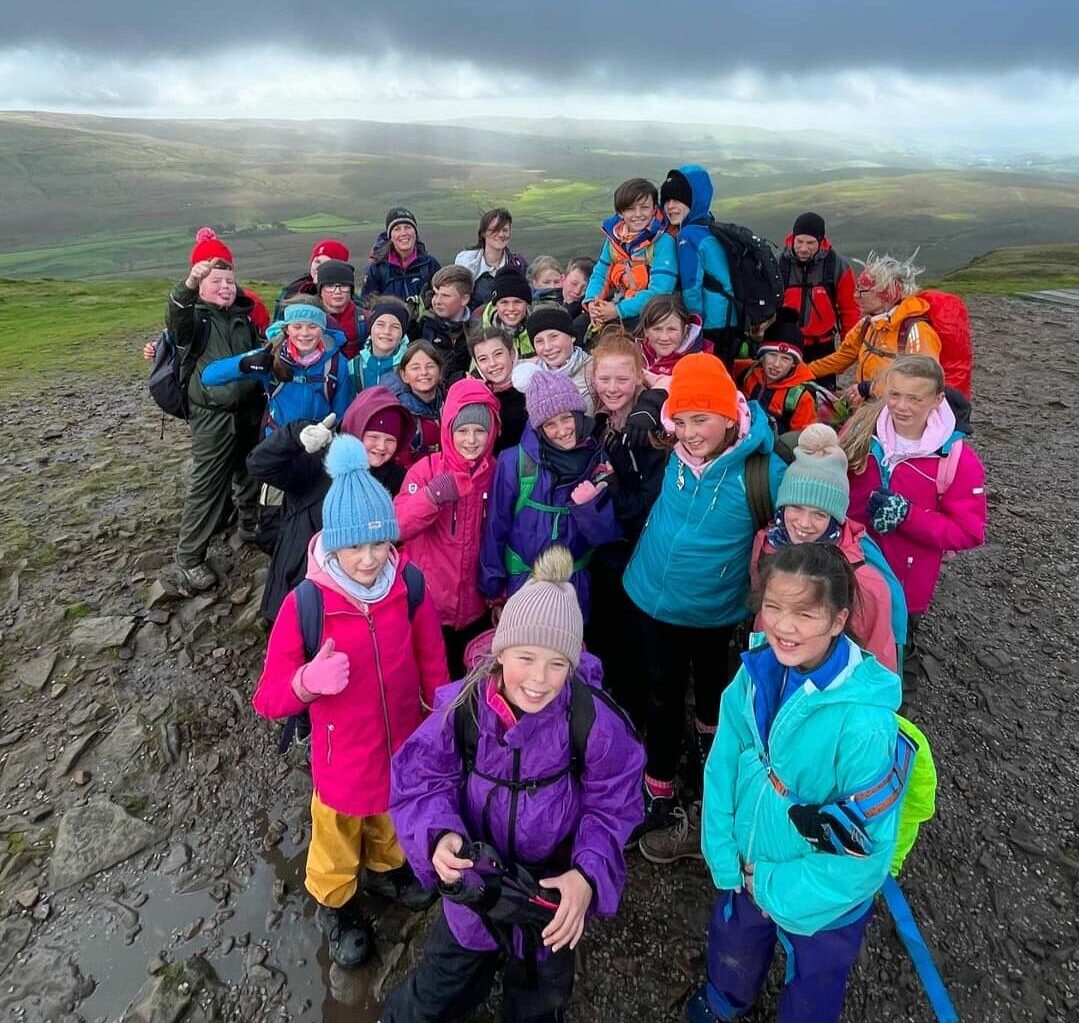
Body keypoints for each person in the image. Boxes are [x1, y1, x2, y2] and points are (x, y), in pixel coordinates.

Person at [383, 546, 645, 1023]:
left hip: (549, 898)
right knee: (437, 992)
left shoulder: (592, 721)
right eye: (526, 657)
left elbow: (614, 804)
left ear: (573, 662)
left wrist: (587, 877)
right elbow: (421, 780)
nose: (540, 679)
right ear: (500, 652)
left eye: (557, 663)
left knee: (539, 1001)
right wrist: (438, 835)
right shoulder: (462, 710)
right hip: (474, 886)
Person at [252, 434, 449, 969]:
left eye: (378, 543)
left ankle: (387, 870)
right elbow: (268, 698)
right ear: (331, 544)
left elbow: (431, 656)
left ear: (391, 538)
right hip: (341, 760)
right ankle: (336, 904)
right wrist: (307, 682)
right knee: (336, 837)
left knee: (391, 814)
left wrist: (440, 709)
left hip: (402, 744)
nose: (367, 559)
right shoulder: (307, 604)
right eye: (354, 546)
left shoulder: (408, 583)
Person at [688, 542, 902, 1023]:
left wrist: (766, 882)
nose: (783, 627)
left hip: (817, 899)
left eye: (804, 613)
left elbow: (865, 859)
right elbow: (724, 762)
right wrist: (724, 855)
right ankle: (725, 1000)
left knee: (815, 982)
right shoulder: (756, 671)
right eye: (773, 607)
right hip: (744, 864)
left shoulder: (865, 725)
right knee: (734, 946)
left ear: (838, 618)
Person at [623, 353, 786, 851]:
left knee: (713, 688)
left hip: (715, 607)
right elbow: (657, 387)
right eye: (682, 421)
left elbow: (807, 520)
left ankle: (711, 767)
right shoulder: (672, 451)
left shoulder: (764, 471)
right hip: (652, 596)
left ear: (730, 416)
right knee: (662, 692)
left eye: (703, 420)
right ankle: (661, 787)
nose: (691, 433)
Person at [842, 355, 987, 687]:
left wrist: (907, 515)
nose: (901, 407)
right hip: (850, 564)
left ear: (937, 400)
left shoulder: (956, 459)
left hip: (906, 584)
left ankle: (891, 715)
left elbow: (968, 531)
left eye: (915, 398)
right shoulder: (861, 429)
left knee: (892, 654)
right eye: (894, 395)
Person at [246, 385, 413, 623]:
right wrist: (296, 434)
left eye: (390, 440)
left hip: (354, 592)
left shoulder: (395, 478)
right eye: (373, 437)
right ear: (357, 431)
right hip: (297, 580)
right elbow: (259, 465)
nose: (381, 447)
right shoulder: (320, 460)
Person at [749, 424, 900, 672]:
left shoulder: (864, 583)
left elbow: (879, 662)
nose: (804, 524)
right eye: (796, 507)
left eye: (819, 513)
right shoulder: (766, 542)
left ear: (836, 518)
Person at [167, 229, 266, 592]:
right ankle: (189, 559)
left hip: (248, 410)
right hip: (212, 416)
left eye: (229, 280)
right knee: (207, 485)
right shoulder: (195, 318)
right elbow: (175, 316)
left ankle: (250, 526)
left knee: (249, 471)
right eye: (216, 281)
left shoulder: (243, 316)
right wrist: (188, 284)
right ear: (201, 285)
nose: (225, 287)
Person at [480, 371, 620, 622]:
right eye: (550, 424)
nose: (562, 430)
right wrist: (494, 589)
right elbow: (496, 527)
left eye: (567, 418)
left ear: (578, 415)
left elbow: (606, 536)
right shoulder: (514, 462)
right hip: (523, 581)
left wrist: (587, 507)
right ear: (538, 428)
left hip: (573, 584)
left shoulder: (598, 461)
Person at [585, 328, 669, 727]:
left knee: (637, 649)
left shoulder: (650, 430)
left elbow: (647, 504)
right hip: (604, 551)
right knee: (606, 642)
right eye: (605, 379)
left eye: (622, 379)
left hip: (638, 553)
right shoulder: (598, 421)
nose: (613, 388)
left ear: (640, 377)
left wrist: (611, 490)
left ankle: (637, 725)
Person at [394, 380, 502, 678]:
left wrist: (497, 596)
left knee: (470, 680)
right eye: (462, 430)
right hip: (429, 605)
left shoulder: (496, 474)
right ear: (448, 430)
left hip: (476, 606)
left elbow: (501, 538)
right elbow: (398, 525)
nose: (471, 440)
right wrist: (430, 498)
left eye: (480, 430)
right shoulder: (426, 470)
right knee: (432, 677)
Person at [201, 299, 354, 435]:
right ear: (287, 329)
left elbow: (341, 413)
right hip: (277, 441)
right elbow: (209, 376)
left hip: (318, 440)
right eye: (297, 326)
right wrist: (244, 365)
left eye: (313, 326)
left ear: (322, 329)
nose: (305, 333)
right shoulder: (270, 355)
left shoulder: (336, 363)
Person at [808, 253, 941, 405]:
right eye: (857, 289)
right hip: (866, 406)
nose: (856, 296)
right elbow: (842, 358)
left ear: (888, 293)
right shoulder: (868, 324)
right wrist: (802, 372)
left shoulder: (917, 331)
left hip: (898, 412)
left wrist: (870, 388)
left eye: (863, 291)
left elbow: (925, 381)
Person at [660, 165, 736, 357]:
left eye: (678, 200)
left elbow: (691, 286)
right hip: (730, 315)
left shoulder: (688, 235)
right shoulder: (709, 225)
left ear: (694, 201)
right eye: (667, 200)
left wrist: (692, 324)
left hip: (711, 321)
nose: (670, 207)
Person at [583, 177, 677, 332]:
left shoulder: (663, 242)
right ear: (620, 213)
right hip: (619, 302)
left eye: (644, 207)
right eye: (631, 209)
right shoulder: (614, 240)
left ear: (654, 209)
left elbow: (661, 291)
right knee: (580, 327)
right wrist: (593, 302)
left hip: (650, 313)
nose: (638, 214)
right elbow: (601, 274)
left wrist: (618, 310)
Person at [778, 212, 860, 388]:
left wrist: (850, 348)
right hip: (785, 342)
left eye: (810, 243)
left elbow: (849, 309)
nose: (803, 248)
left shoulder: (837, 265)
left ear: (821, 241)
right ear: (792, 238)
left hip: (823, 346)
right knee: (785, 395)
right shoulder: (779, 263)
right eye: (799, 242)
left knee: (823, 396)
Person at [738, 309, 822, 434]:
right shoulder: (747, 373)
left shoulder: (800, 397)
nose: (776, 364)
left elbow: (802, 440)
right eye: (772, 355)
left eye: (785, 358)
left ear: (794, 363)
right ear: (762, 355)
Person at [360, 207, 441, 309]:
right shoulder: (377, 268)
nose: (403, 233)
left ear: (415, 233)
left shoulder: (430, 264)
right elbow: (367, 305)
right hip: (391, 324)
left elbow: (441, 300)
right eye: (397, 229)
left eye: (408, 227)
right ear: (390, 237)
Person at [523, 303, 594, 413]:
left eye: (554, 337)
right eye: (539, 341)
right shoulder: (529, 376)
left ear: (572, 336)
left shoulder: (594, 369)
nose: (547, 347)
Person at [383, 340, 447, 464]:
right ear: (404, 375)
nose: (424, 372)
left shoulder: (450, 402)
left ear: (440, 372)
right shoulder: (400, 414)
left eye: (430, 366)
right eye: (415, 368)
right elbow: (402, 463)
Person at [454, 207, 529, 310]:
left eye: (505, 230)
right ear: (483, 233)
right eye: (494, 230)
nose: (501, 234)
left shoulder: (518, 265)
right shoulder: (465, 261)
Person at [467, 326, 527, 453]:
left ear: (511, 354)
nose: (492, 363)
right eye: (483, 359)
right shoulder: (477, 398)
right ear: (477, 365)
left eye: (498, 354)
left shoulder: (530, 389)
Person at [637, 293, 709, 390]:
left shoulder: (699, 364)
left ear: (685, 330)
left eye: (672, 329)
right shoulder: (633, 355)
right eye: (657, 329)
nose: (664, 337)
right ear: (645, 331)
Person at [414, 264, 474, 379]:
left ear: (464, 299)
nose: (437, 301)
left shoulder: (475, 331)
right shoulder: (422, 328)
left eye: (445, 296)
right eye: (435, 294)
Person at [274, 238, 350, 320]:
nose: (318, 267)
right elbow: (276, 328)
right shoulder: (291, 292)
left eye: (326, 263)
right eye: (317, 261)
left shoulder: (349, 299)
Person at [348, 298, 411, 392]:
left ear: (402, 334)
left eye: (395, 327)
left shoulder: (410, 366)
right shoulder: (354, 367)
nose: (386, 332)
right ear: (371, 328)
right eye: (380, 325)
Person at [474, 266, 533, 356]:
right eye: (504, 302)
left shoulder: (539, 330)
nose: (511, 308)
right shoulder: (479, 332)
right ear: (495, 305)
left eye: (517, 302)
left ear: (527, 304)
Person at [315, 259, 365, 359]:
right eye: (330, 285)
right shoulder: (309, 318)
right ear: (320, 291)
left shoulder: (365, 320)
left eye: (343, 285)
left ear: (351, 289)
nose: (337, 291)